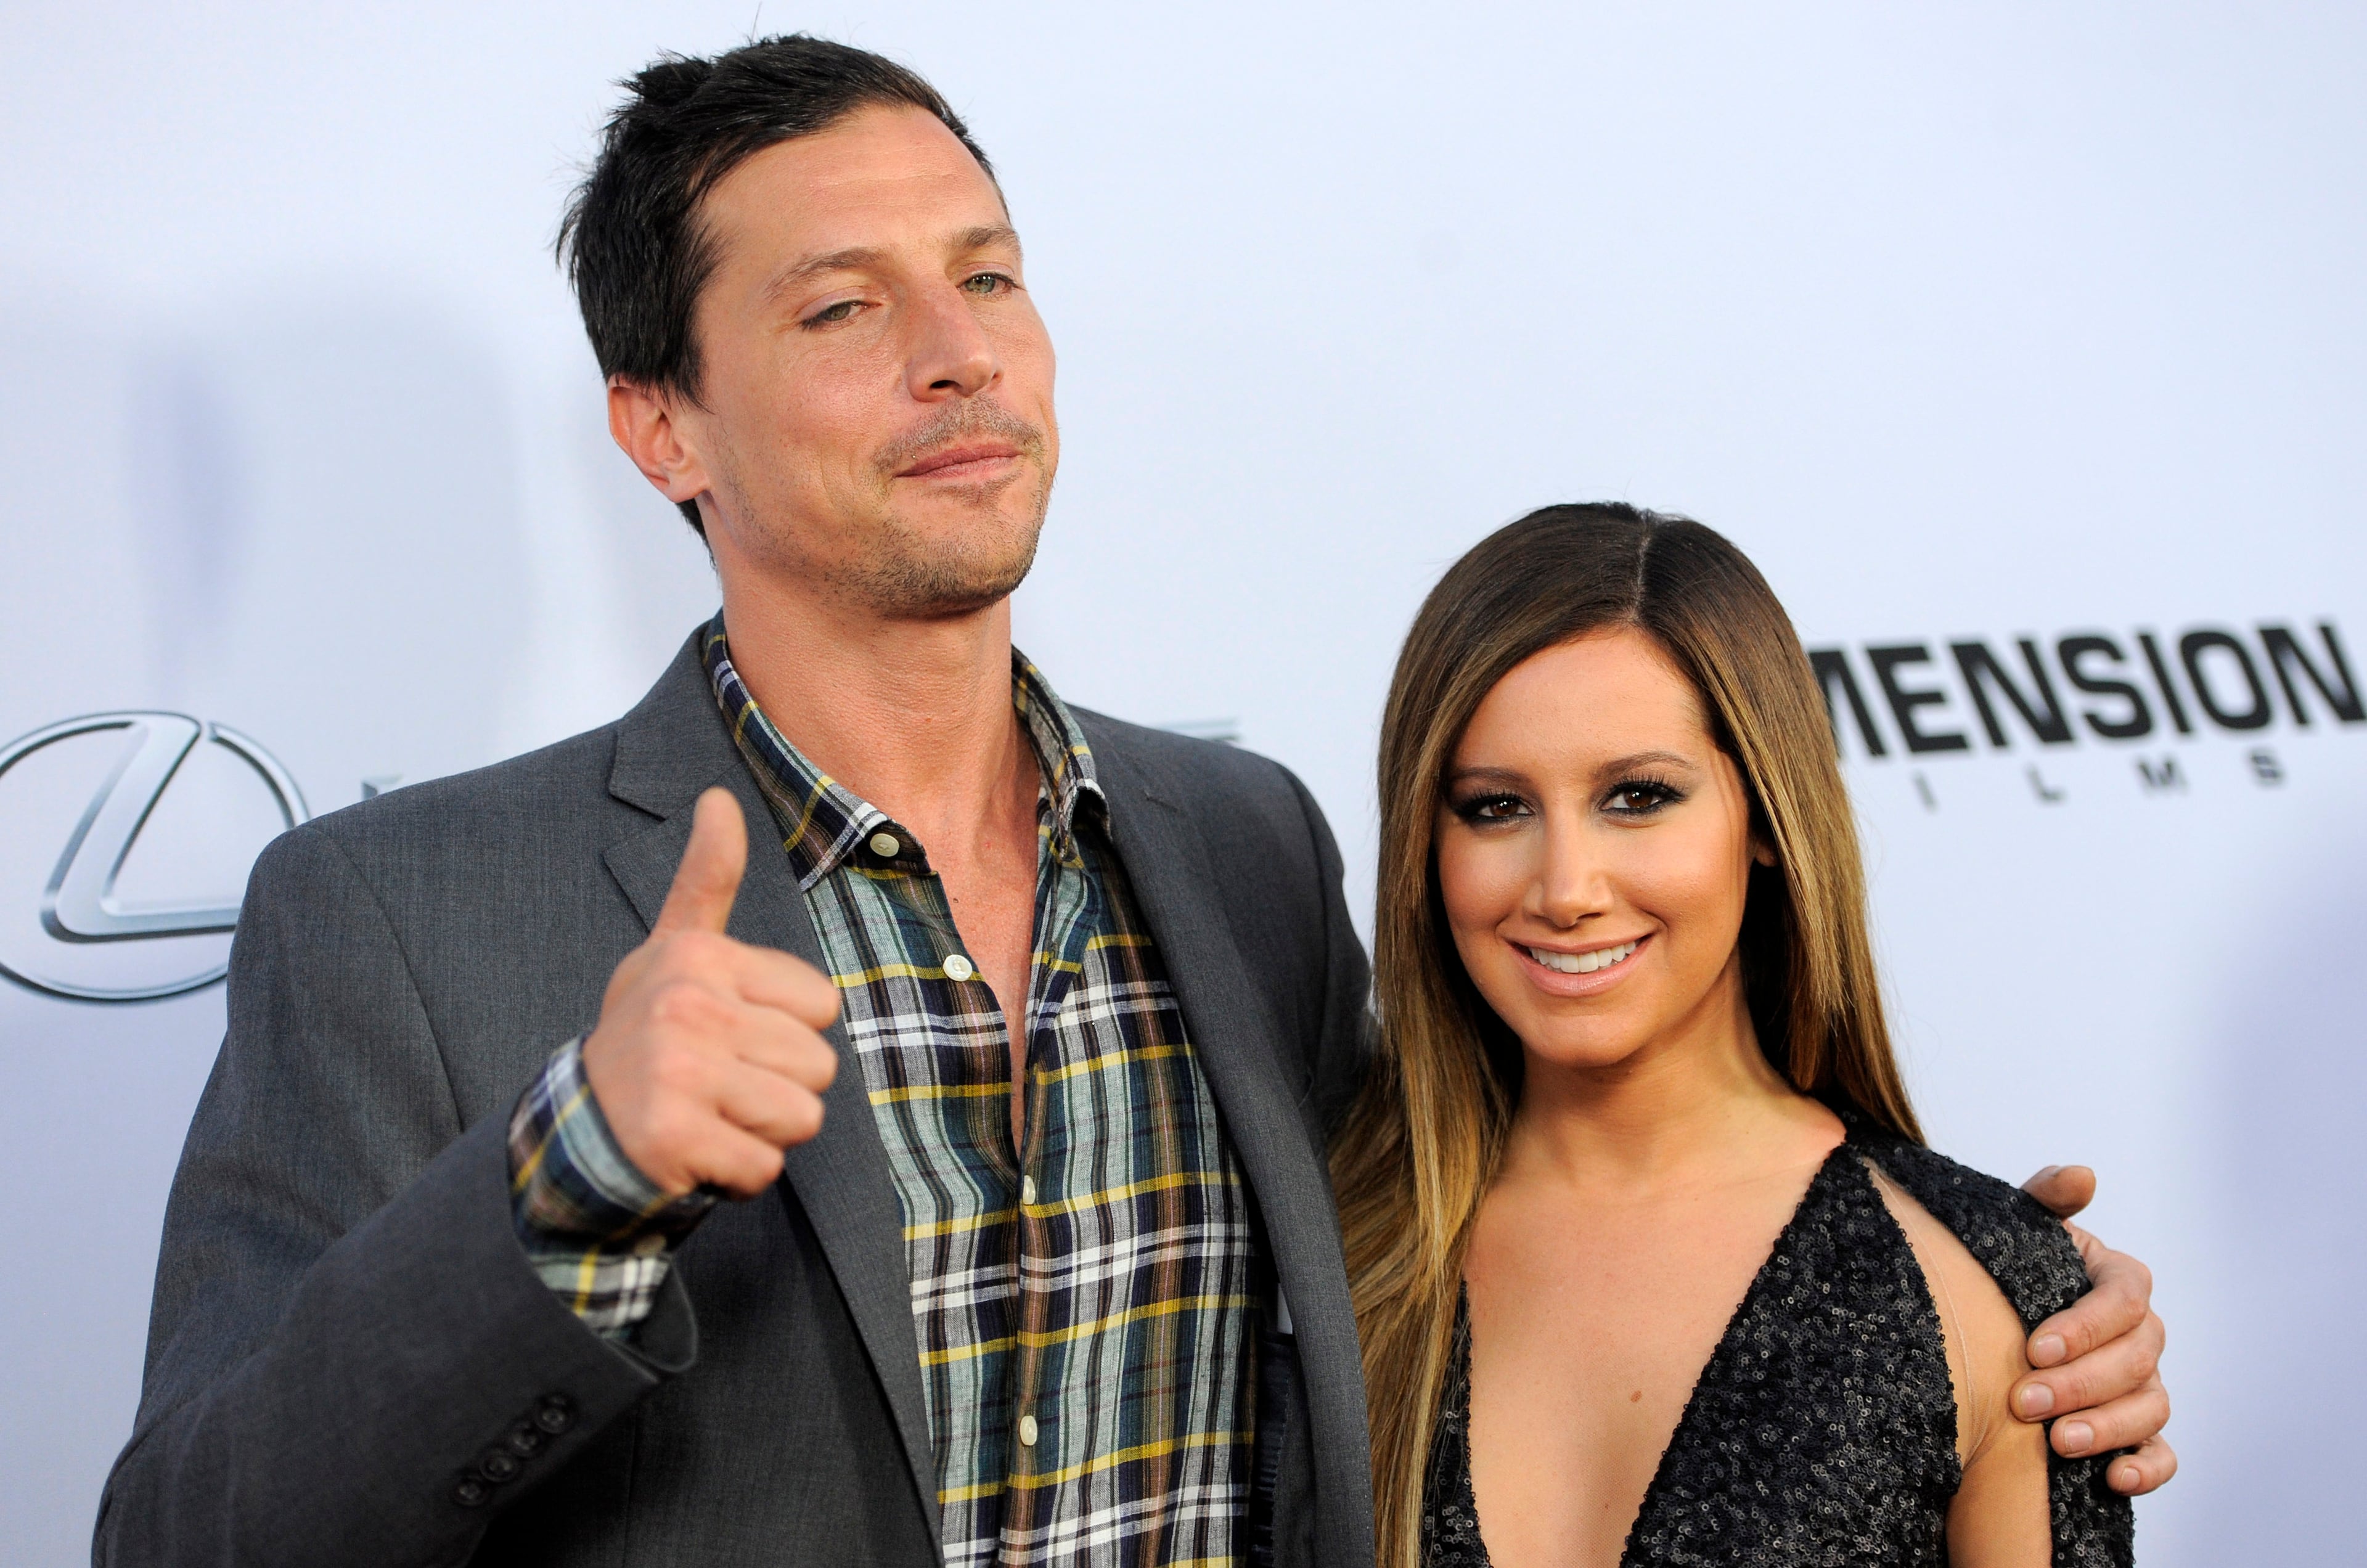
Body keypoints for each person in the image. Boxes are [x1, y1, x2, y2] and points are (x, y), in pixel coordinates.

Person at [96, 37, 2171, 1568]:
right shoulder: (390, 911)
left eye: (988, 279)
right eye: (844, 309)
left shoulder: (1243, 847)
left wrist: (1985, 1314)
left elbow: (1510, 1230)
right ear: (661, 426)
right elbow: (188, 1537)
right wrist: (571, 1175)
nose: (958, 357)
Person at [1333, 504, 2158, 1568]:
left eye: (1638, 797)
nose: (1566, 889)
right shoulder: (1325, 1259)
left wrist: (2020, 1263)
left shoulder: (1977, 1287)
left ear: (1765, 819)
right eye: (1495, 808)